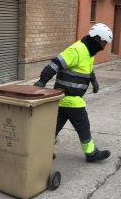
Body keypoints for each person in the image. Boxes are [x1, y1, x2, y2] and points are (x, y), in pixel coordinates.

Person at [33, 23, 112, 162]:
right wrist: (41, 82)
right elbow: (54, 64)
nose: (104, 46)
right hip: (71, 99)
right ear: (97, 39)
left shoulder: (89, 51)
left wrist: (94, 80)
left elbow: (87, 69)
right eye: (104, 43)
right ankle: (91, 153)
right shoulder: (76, 50)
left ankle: (41, 152)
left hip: (63, 98)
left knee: (53, 128)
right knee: (83, 126)